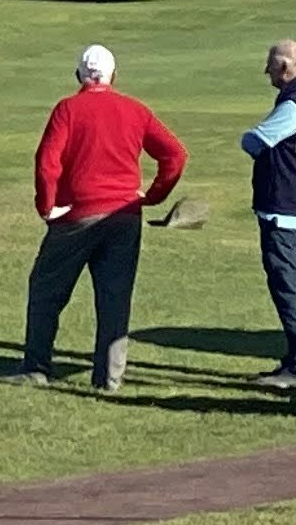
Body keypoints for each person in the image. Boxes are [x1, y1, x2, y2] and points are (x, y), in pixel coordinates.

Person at [10, 43, 185, 394]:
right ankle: (109, 379)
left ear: (79, 75)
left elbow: (47, 162)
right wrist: (152, 197)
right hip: (124, 216)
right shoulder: (135, 110)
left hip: (76, 216)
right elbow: (175, 155)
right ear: (113, 75)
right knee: (115, 298)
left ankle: (37, 367)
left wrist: (46, 206)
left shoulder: (68, 109)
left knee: (46, 291)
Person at [241, 38, 296, 388]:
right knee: (292, 284)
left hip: (283, 211)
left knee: (288, 287)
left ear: (286, 67)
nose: (268, 73)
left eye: (271, 67)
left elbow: (254, 142)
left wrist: (247, 137)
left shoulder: (293, 104)